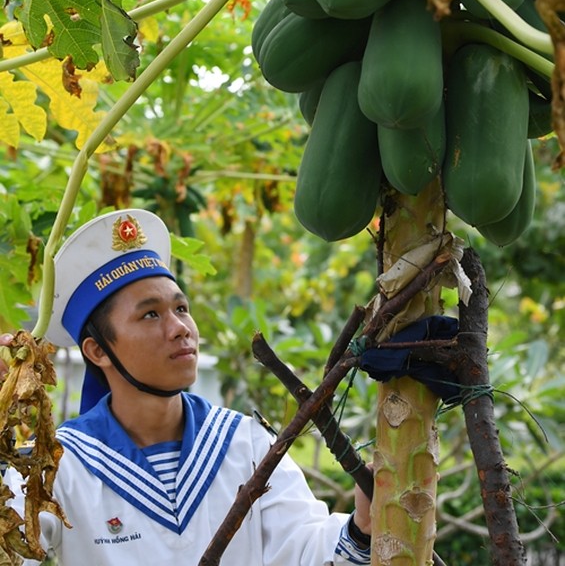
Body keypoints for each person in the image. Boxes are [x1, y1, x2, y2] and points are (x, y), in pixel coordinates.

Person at [2, 208, 372, 565]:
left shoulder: (245, 444)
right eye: (150, 314)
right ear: (98, 350)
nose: (181, 328)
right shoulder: (58, 464)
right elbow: (12, 547)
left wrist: (363, 528)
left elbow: (307, 550)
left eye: (181, 308)